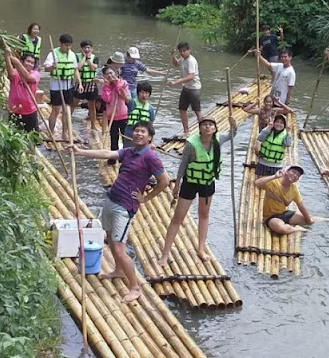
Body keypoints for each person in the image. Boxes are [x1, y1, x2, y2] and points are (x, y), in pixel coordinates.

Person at [72, 121, 169, 303]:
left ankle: (134, 286)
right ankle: (118, 270)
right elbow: (107, 153)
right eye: (137, 131)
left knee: (119, 248)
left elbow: (163, 181)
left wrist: (145, 198)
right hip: (111, 199)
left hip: (124, 207)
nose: (139, 134)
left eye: (143, 132)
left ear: (150, 138)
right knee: (110, 240)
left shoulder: (151, 157)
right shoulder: (129, 151)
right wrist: (80, 152)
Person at [158, 115, 237, 265]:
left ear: (215, 129)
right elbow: (183, 165)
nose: (208, 127)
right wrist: (177, 184)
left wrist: (234, 126)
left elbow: (232, 135)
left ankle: (201, 248)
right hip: (191, 182)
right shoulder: (191, 144)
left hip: (207, 182)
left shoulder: (218, 140)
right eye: (204, 125)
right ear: (200, 128)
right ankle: (165, 254)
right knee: (178, 218)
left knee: (204, 214)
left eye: (211, 125)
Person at [43, 34, 83, 141]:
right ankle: (51, 133)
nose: (68, 48)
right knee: (56, 110)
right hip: (56, 85)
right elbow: (46, 69)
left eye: (70, 45)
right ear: (61, 44)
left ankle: (64, 133)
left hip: (68, 85)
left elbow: (75, 70)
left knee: (67, 110)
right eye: (66, 45)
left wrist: (80, 83)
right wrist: (52, 67)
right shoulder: (53, 53)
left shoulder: (72, 55)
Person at [255, 165, 315, 234]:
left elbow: (301, 206)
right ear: (286, 172)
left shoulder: (294, 189)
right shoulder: (274, 182)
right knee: (281, 229)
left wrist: (309, 221)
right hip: (270, 217)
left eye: (298, 175)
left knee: (309, 218)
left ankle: (328, 219)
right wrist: (275, 176)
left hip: (283, 213)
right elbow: (257, 183)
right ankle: (297, 229)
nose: (295, 175)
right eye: (293, 172)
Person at [2, 42, 40, 132]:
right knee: (14, 137)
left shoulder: (35, 74)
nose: (30, 64)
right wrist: (7, 56)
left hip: (30, 111)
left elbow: (28, 78)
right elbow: (11, 74)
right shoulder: (15, 72)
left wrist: (17, 63)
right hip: (15, 110)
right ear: (22, 61)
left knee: (32, 138)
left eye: (32, 63)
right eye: (28, 61)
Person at [170, 42, 203, 137]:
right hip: (186, 87)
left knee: (197, 110)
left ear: (188, 50)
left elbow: (191, 76)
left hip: (194, 88)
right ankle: (186, 131)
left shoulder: (191, 61)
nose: (182, 53)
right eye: (180, 51)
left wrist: (176, 82)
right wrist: (173, 56)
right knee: (182, 109)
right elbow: (176, 64)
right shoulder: (183, 59)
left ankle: (202, 131)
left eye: (184, 51)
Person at [101, 67, 131, 163]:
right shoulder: (106, 87)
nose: (110, 76)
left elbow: (126, 98)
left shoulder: (124, 83)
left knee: (125, 138)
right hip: (112, 117)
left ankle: (126, 157)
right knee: (113, 138)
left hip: (123, 115)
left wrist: (117, 86)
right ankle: (113, 157)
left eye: (111, 73)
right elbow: (107, 100)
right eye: (107, 74)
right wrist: (107, 87)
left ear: (116, 73)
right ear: (104, 77)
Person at [72, 40, 99, 130]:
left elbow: (93, 68)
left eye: (88, 48)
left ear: (92, 49)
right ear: (81, 49)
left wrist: (88, 59)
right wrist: (84, 57)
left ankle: (93, 126)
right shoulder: (77, 56)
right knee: (74, 104)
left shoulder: (95, 58)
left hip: (91, 84)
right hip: (80, 83)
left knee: (92, 106)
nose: (87, 49)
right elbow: (78, 67)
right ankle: (67, 122)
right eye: (85, 48)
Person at [123, 81, 156, 148]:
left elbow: (151, 126)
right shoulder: (132, 103)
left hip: (143, 137)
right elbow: (124, 96)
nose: (144, 95)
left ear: (149, 94)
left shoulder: (150, 108)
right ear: (138, 93)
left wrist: (152, 142)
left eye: (146, 93)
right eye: (142, 92)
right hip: (130, 135)